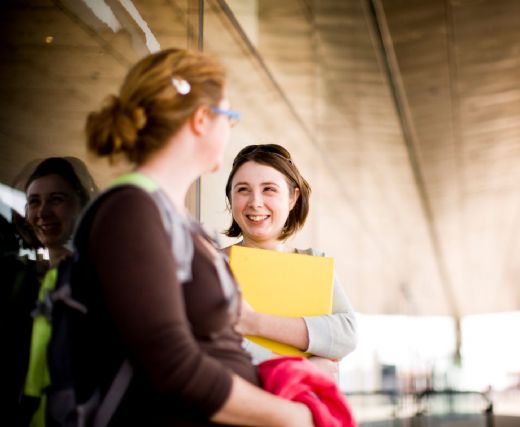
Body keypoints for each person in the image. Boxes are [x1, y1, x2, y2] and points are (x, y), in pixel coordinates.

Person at [81, 48, 313, 426]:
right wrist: (290, 416)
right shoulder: (132, 212)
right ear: (202, 120)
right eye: (230, 117)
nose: (229, 130)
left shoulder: (171, 217)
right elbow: (169, 362)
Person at [223, 143, 358, 375]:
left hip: (305, 404)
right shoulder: (214, 263)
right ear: (230, 198)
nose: (255, 202)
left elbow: (346, 335)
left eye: (269, 189)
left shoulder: (314, 262)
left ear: (292, 198)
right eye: (243, 189)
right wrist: (304, 369)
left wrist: (252, 321)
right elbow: (215, 345)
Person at [15, 157, 97, 426]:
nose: (42, 212)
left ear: (82, 205)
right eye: (34, 202)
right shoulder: (23, 279)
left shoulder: (97, 279)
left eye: (56, 199)